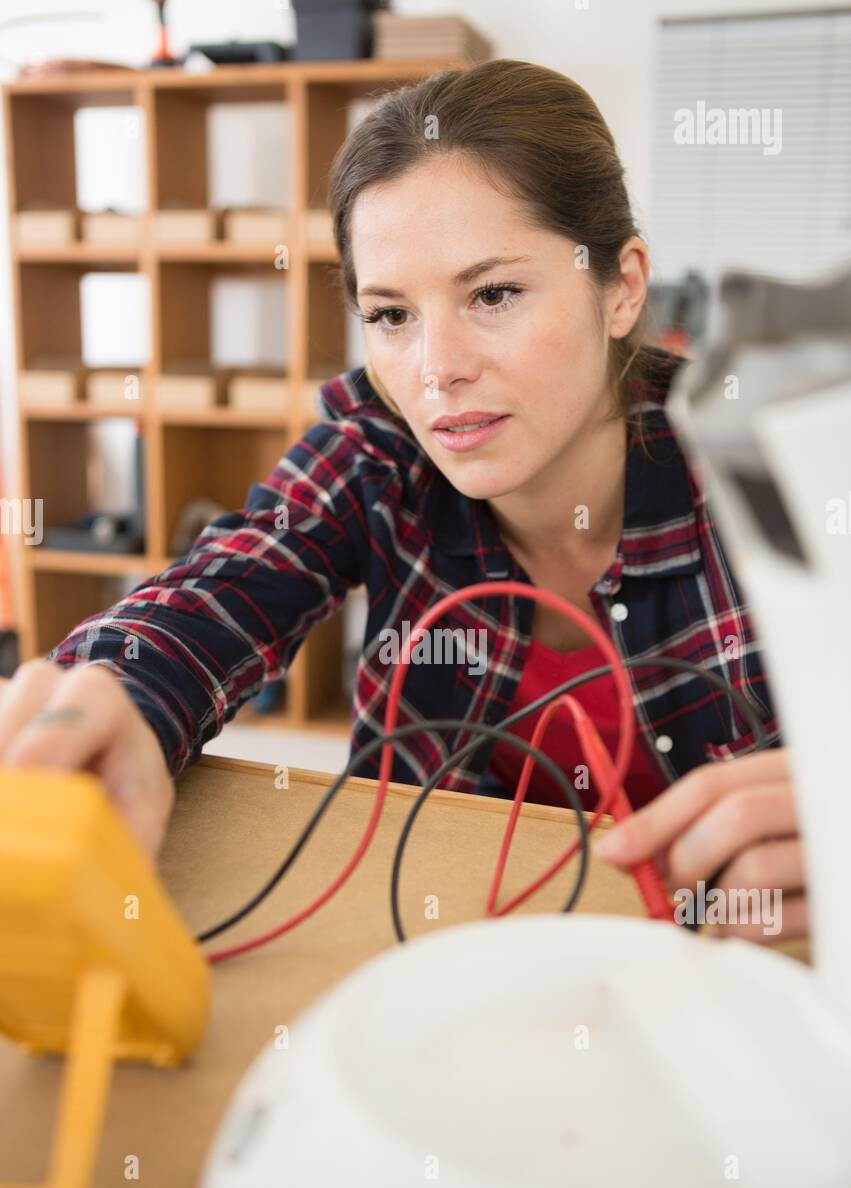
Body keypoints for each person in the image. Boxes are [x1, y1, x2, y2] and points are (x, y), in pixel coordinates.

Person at [0, 60, 808, 943]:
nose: (436, 370)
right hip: (443, 976)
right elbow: (217, 590)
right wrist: (117, 694)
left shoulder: (776, 473)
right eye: (391, 315)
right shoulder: (378, 451)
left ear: (621, 287)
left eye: (492, 294)